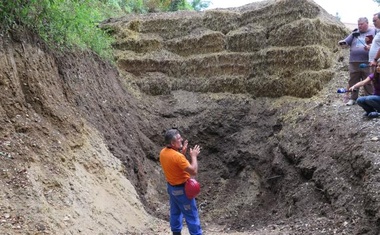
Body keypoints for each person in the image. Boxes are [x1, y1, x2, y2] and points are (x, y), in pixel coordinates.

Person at [159, 129, 202, 235]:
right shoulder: (178, 157)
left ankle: (176, 232)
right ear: (172, 143)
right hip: (183, 191)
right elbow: (193, 171)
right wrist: (193, 156)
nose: (181, 139)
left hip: (172, 189)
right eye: (179, 139)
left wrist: (182, 153)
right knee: (191, 216)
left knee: (175, 212)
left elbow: (174, 164)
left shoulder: (163, 152)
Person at [339, 17, 375, 106]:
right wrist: (342, 43)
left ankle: (369, 98)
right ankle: (353, 98)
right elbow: (346, 42)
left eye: (361, 24)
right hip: (354, 61)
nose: (359, 26)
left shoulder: (373, 32)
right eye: (358, 24)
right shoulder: (354, 33)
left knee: (368, 81)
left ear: (367, 23)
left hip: (367, 62)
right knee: (353, 80)